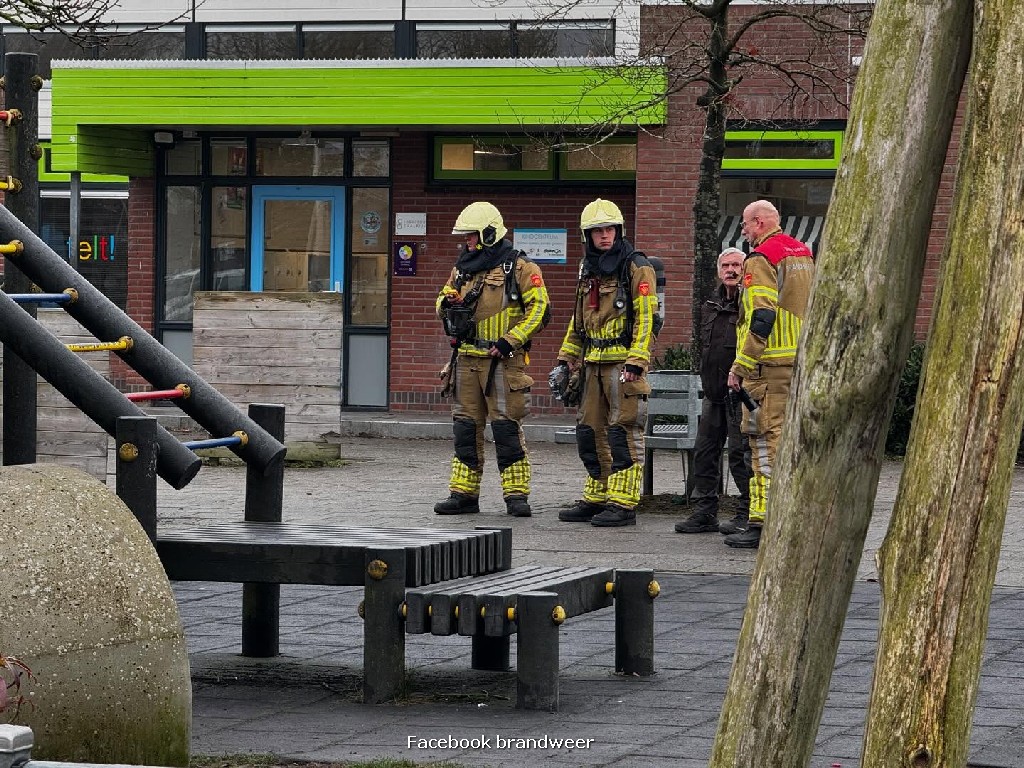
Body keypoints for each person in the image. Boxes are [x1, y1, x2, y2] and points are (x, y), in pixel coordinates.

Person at [433, 201, 551, 518]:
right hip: (466, 360)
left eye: (471, 236)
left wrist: (510, 340)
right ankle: (463, 495)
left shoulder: (521, 268)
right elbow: (440, 302)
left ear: (488, 233)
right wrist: (449, 304)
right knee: (465, 431)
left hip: (502, 362)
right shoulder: (461, 269)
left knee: (506, 430)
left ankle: (515, 496)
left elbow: (540, 310)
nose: (467, 241)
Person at [555, 198, 659, 527]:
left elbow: (647, 319)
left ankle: (623, 503)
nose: (604, 236)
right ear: (587, 236)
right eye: (598, 231)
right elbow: (578, 320)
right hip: (591, 364)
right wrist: (566, 358)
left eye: (609, 229)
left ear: (619, 231)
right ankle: (597, 495)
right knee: (589, 432)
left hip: (622, 365)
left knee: (623, 433)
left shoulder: (636, 265)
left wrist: (637, 361)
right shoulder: (588, 269)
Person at [724, 200, 815, 548]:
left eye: (746, 225)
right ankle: (785, 519)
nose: (743, 231)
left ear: (760, 223)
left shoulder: (762, 258)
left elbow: (762, 316)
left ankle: (763, 524)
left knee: (765, 442)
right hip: (798, 363)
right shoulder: (802, 252)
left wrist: (742, 365)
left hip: (769, 366)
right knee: (790, 443)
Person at [673, 247, 753, 535]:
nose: (731, 270)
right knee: (705, 453)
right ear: (719, 271)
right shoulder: (709, 304)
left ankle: (747, 513)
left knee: (740, 454)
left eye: (737, 265)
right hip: (713, 392)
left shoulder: (750, 303)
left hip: (739, 393)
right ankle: (705, 512)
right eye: (726, 266)